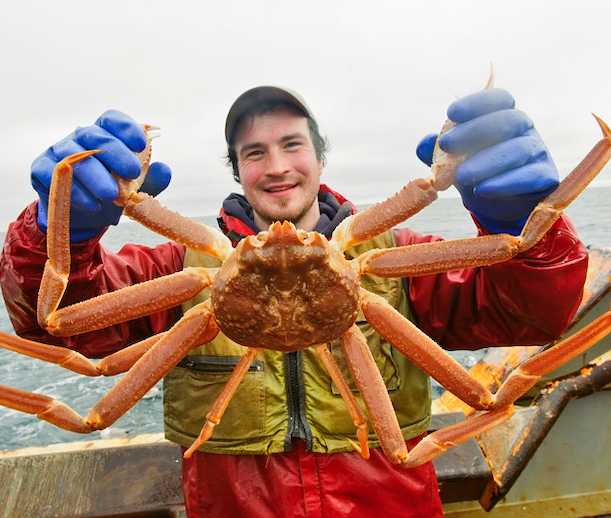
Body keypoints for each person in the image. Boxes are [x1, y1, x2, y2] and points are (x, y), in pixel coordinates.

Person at [0, 86, 587, 517]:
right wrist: (60, 236)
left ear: (319, 158)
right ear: (238, 170)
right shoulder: (183, 267)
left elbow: (529, 311)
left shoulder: (394, 259)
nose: (277, 166)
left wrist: (527, 231)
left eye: (291, 145)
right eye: (255, 153)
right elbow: (63, 330)